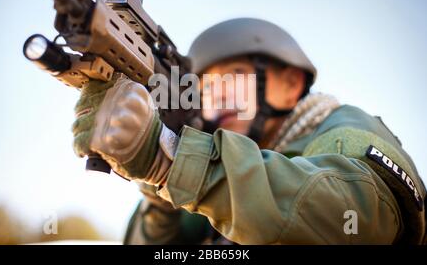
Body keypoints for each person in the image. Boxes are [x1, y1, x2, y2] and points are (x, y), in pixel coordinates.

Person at [72, 18, 426, 244]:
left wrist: (171, 162)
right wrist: (158, 193)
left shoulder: (342, 127)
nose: (219, 94)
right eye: (205, 88)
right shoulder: (216, 175)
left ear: (290, 84)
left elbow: (360, 219)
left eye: (236, 76)